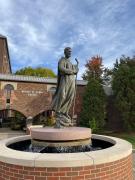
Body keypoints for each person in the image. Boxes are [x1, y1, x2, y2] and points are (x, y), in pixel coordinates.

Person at [51, 47, 79, 128]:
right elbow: (61, 69)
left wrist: (76, 68)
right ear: (65, 52)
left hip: (72, 82)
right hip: (65, 80)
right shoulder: (62, 60)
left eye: (71, 51)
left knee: (70, 97)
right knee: (62, 95)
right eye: (68, 51)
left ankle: (65, 111)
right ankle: (58, 111)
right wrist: (72, 71)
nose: (70, 53)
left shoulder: (70, 62)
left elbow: (75, 71)